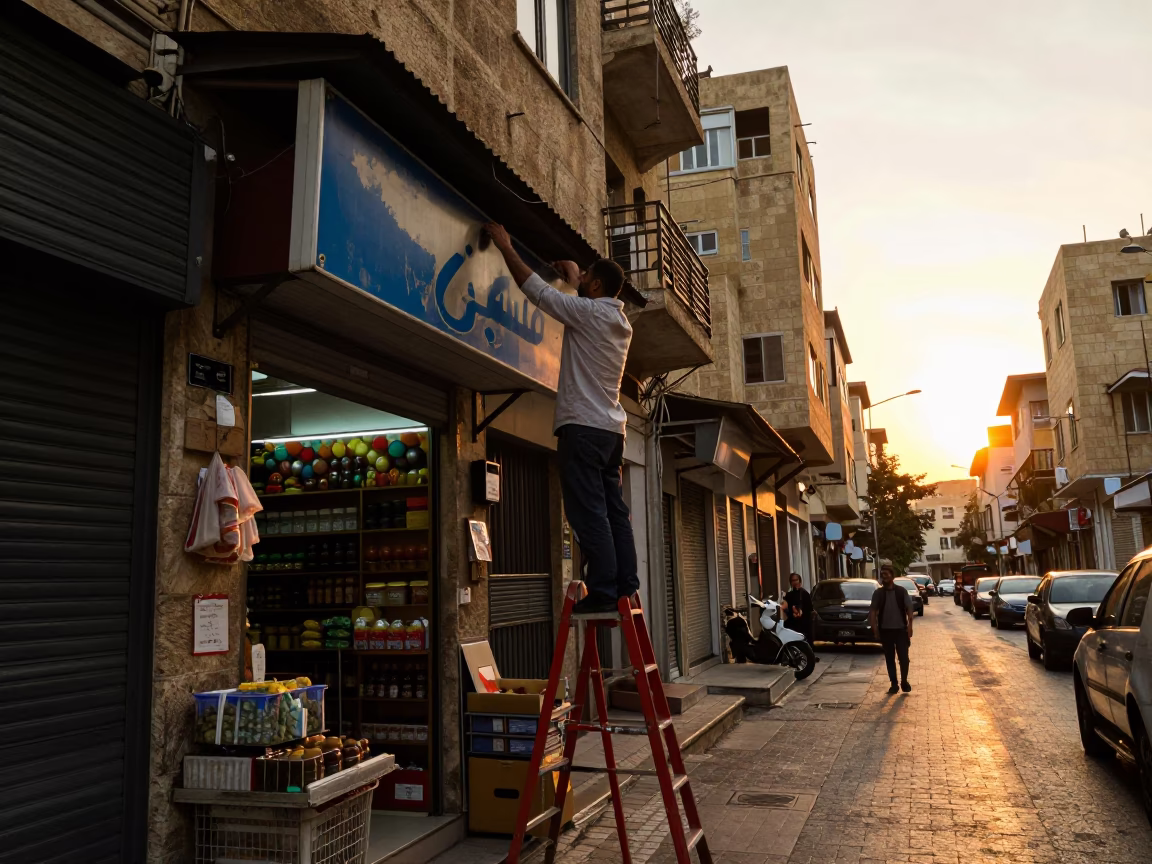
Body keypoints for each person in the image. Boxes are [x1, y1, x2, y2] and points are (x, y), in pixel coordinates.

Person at [482, 222, 636, 615]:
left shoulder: (590, 314)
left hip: (582, 430)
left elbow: (538, 292)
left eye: (586, 276)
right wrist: (578, 281)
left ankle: (601, 589)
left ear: (597, 286)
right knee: (614, 512)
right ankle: (624, 584)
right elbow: (582, 304)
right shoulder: (616, 321)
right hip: (610, 433)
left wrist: (505, 245)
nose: (579, 277)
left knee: (588, 512)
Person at [869, 562, 914, 694]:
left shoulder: (901, 591)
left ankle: (904, 681)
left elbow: (909, 609)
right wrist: (875, 629)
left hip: (901, 631)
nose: (884, 577)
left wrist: (910, 626)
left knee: (904, 659)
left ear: (892, 576)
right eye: (882, 575)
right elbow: (872, 612)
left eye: (886, 574)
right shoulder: (878, 593)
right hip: (885, 631)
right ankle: (894, 684)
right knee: (889, 659)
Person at [782, 572, 813, 643]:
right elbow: (786, 608)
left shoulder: (805, 594)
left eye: (796, 580)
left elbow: (809, 609)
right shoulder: (789, 595)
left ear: (800, 581)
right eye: (793, 580)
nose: (795, 582)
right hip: (792, 624)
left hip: (803, 625)